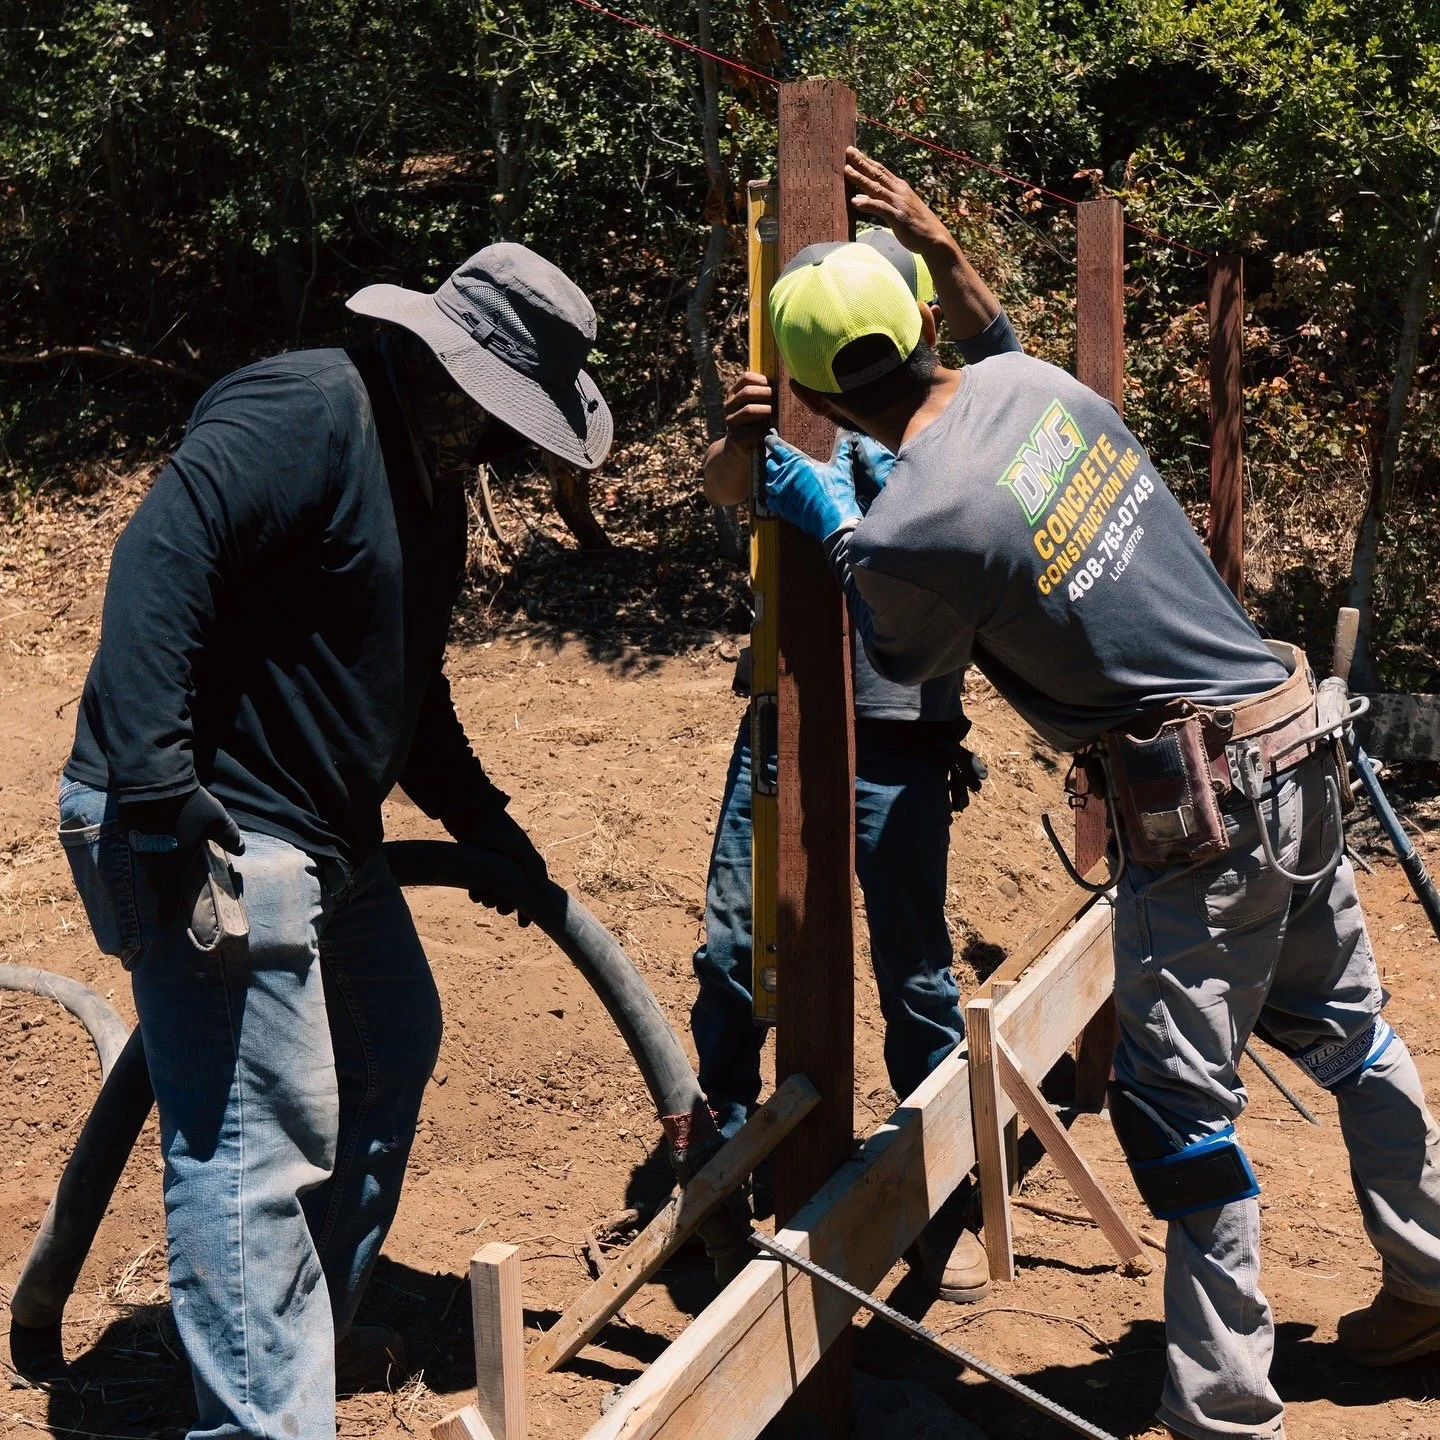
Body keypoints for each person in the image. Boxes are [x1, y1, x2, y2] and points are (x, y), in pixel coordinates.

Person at [759, 149, 1440, 1440]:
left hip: (1203, 816)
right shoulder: (1033, 384)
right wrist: (945, 249)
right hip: (1291, 749)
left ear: (810, 393)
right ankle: (1432, 1278)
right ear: (917, 318)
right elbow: (991, 352)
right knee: (1355, 1033)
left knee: (1178, 1108)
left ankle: (1226, 1412)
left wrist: (834, 520)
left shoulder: (915, 523)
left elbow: (902, 655)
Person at [57, 244, 610, 1440]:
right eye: (508, 413)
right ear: (450, 369)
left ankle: (291, 1338)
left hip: (315, 833)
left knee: (390, 1038)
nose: (513, 445)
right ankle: (263, 1418)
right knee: (257, 1142)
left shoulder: (429, 477)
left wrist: (492, 831)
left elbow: (409, 690)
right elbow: (163, 553)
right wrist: (157, 783)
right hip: (194, 814)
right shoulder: (306, 409)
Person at [692, 209, 1020, 1301]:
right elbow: (727, 494)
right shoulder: (806, 414)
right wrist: (741, 444)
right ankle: (722, 1170)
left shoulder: (955, 428)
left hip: (904, 743)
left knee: (915, 975)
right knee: (735, 955)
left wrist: (845, 494)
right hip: (781, 733)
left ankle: (939, 1205)